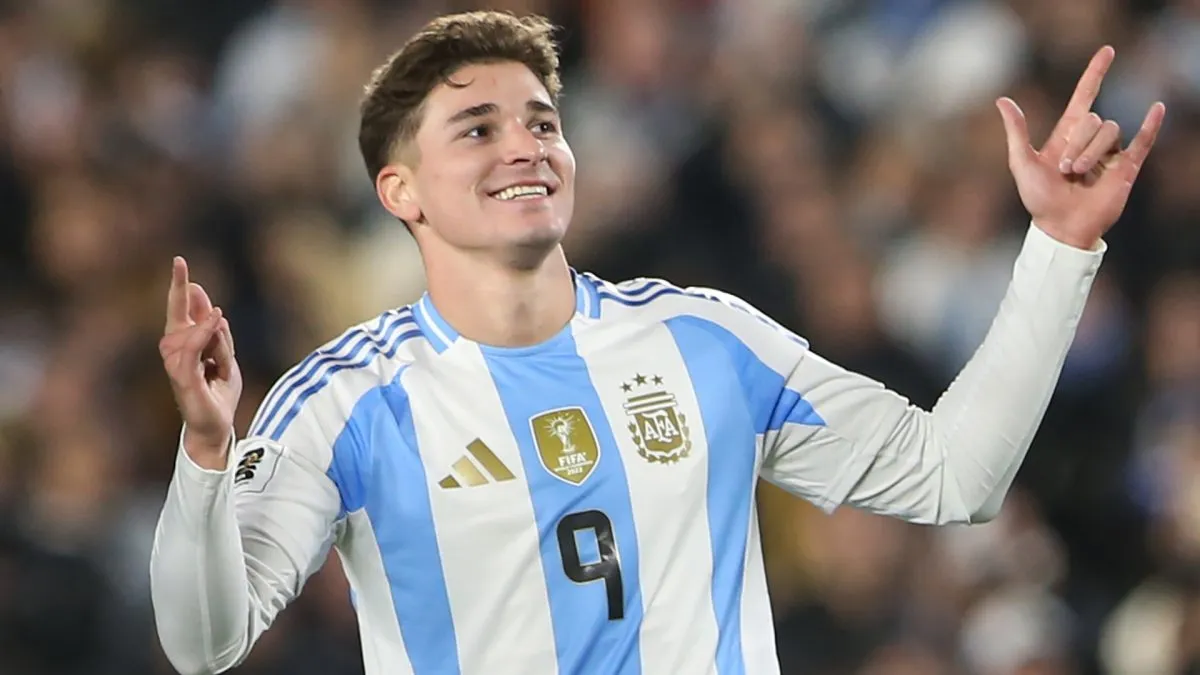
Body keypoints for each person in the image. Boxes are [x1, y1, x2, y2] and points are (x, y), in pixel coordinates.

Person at [149, 10, 1165, 675]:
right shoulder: (344, 401)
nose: (525, 146)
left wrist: (1060, 246)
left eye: (544, 122)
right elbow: (203, 645)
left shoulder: (702, 339)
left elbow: (957, 477)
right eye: (477, 129)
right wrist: (205, 460)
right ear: (399, 192)